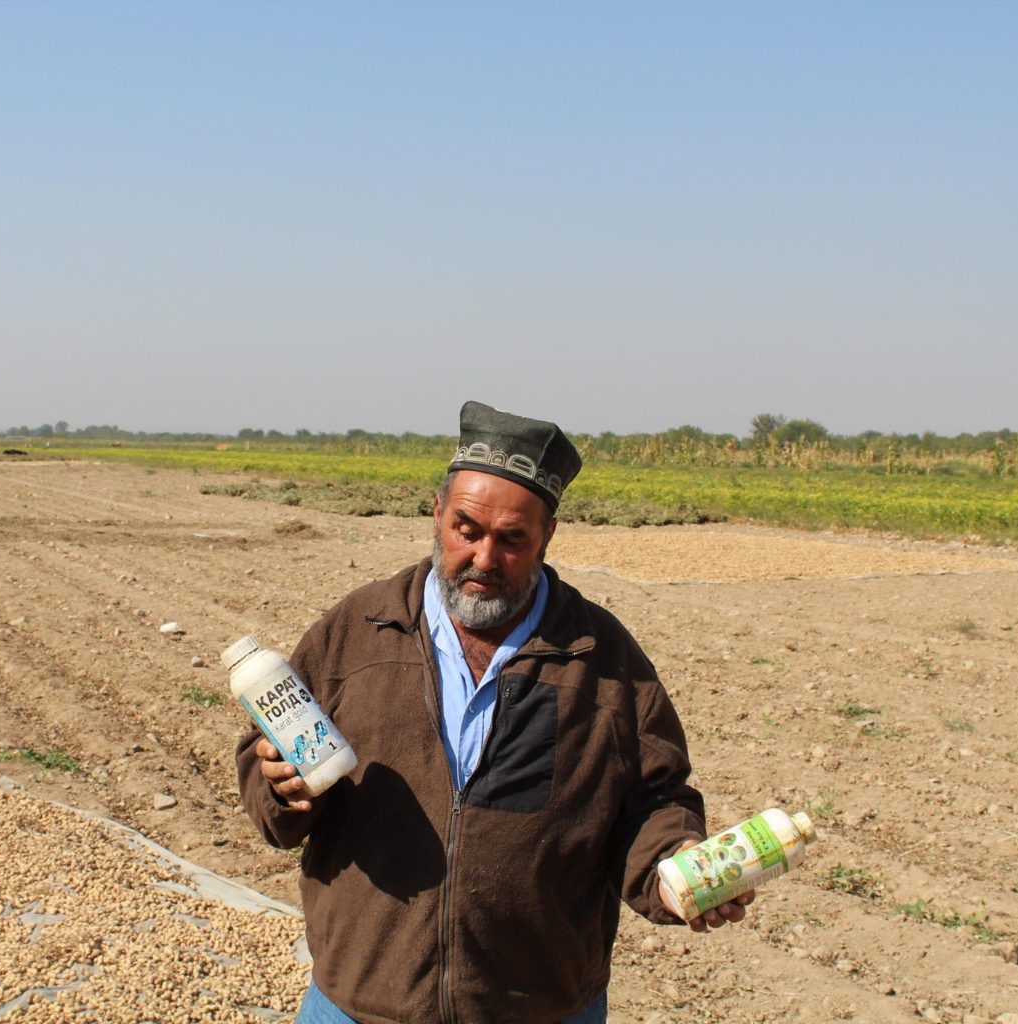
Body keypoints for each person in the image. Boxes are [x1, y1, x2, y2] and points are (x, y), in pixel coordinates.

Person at [237, 401, 753, 1024]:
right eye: (467, 530)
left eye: (512, 540)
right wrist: (281, 787)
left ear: (547, 537)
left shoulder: (601, 658)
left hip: (541, 1008)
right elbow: (266, 757)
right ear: (437, 513)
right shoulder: (359, 630)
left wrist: (675, 870)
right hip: (361, 1002)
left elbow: (654, 798)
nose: (484, 559)